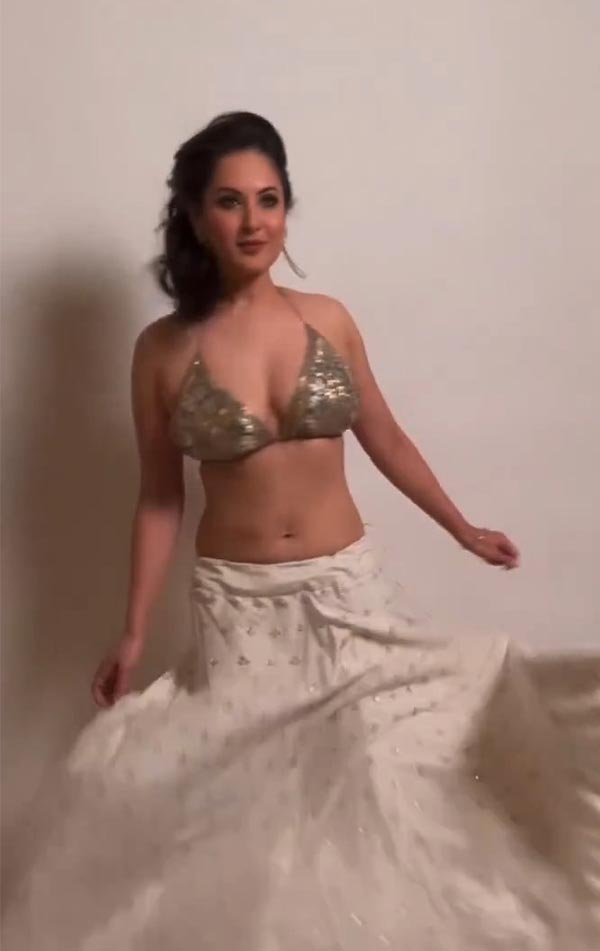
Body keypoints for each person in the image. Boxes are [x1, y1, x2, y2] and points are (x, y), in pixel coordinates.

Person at [4, 112, 599, 950]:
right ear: (194, 216)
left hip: (348, 593)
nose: (253, 221)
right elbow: (160, 497)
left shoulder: (330, 319)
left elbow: (385, 436)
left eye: (269, 199)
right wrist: (134, 630)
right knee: (253, 810)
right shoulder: (162, 351)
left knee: (380, 778)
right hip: (241, 612)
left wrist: (462, 528)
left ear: (287, 207)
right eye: (229, 202)